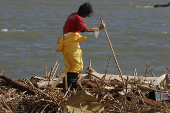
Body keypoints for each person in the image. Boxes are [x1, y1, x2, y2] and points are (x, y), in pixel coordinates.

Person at [55, 2, 105, 91]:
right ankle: (73, 87)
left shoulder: (72, 15)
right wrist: (99, 28)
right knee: (76, 65)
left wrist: (67, 38)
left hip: (65, 43)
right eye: (88, 13)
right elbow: (85, 29)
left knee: (69, 66)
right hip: (71, 45)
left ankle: (66, 88)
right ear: (84, 11)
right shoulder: (78, 18)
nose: (87, 16)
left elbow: (64, 27)